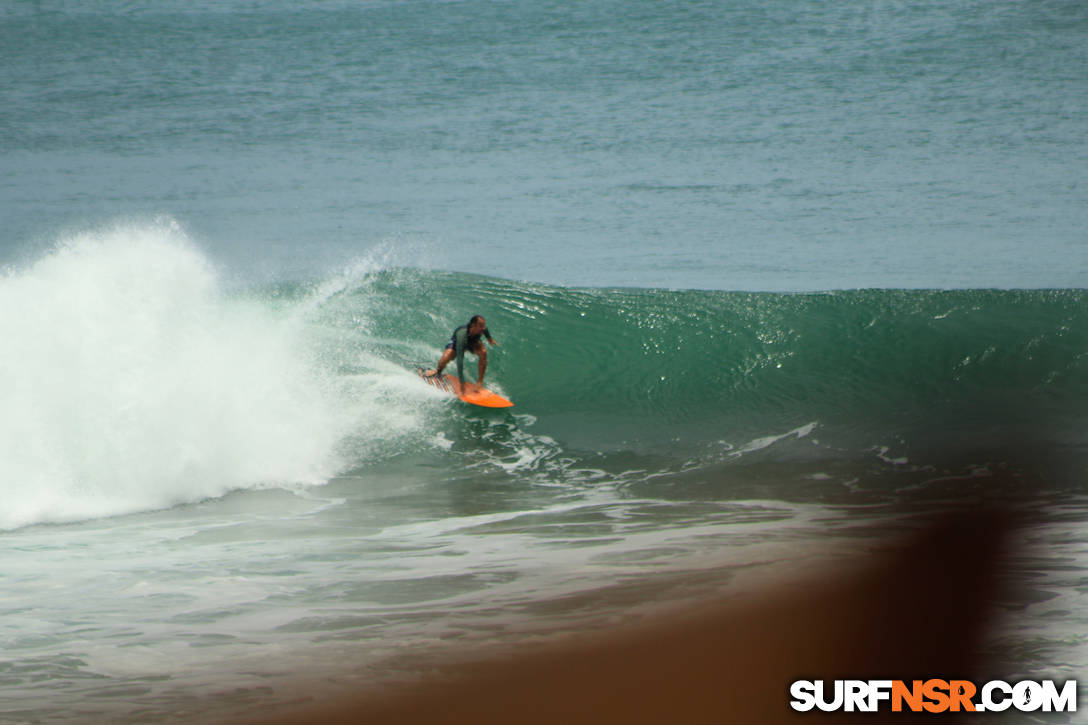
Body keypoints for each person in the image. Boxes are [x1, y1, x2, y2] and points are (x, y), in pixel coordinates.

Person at [424, 315, 498, 394]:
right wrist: (462, 381)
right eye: (481, 326)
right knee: (445, 358)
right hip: (457, 344)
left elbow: (485, 330)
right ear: (473, 325)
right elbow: (459, 359)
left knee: (483, 352)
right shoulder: (462, 334)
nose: (483, 328)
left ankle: (480, 382)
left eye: (483, 326)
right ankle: (438, 373)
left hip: (472, 343)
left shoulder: (481, 329)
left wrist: (489, 339)